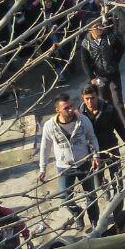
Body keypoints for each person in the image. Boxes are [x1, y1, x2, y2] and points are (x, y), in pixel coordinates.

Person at [37, 93, 102, 227]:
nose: (71, 110)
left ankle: (94, 221)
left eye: (72, 106)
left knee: (91, 195)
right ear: (57, 110)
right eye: (66, 108)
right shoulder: (50, 126)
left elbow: (91, 137)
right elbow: (45, 147)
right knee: (65, 198)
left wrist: (96, 155)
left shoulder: (82, 120)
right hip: (64, 167)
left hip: (84, 164)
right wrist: (42, 168)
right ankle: (77, 213)